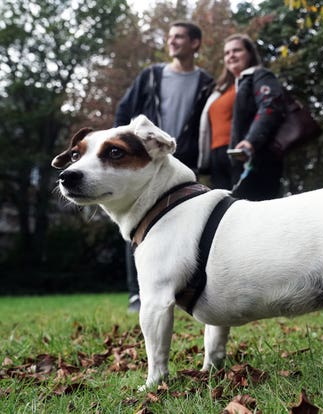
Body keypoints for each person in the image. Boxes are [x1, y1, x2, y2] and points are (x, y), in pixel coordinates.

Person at [114, 21, 214, 312]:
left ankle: (189, 286)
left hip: (183, 163)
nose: (172, 42)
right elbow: (124, 111)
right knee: (138, 221)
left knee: (187, 224)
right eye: (170, 37)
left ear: (195, 43)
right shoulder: (151, 76)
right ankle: (137, 293)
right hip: (146, 163)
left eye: (179, 37)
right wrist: (119, 153)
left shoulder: (207, 82)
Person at [198, 34, 286, 201]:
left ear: (250, 53)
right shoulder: (219, 89)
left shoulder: (259, 76)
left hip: (248, 156)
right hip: (219, 162)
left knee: (251, 215)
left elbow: (271, 106)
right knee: (223, 216)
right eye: (227, 53)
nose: (231, 55)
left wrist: (252, 141)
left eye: (237, 50)